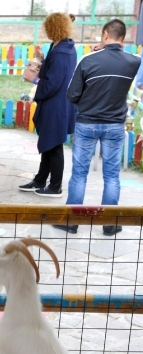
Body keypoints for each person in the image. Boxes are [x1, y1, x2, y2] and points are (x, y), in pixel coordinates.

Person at [53, 19, 140, 236]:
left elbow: (72, 95)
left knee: (79, 174)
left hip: (87, 123)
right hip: (115, 126)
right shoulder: (133, 61)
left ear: (104, 34)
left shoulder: (88, 60)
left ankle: (72, 221)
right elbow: (123, 58)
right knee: (112, 175)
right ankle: (110, 223)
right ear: (124, 37)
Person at [18, 13, 77, 198]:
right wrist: (42, 62)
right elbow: (54, 72)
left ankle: (55, 186)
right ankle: (41, 179)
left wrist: (34, 78)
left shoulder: (61, 52)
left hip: (56, 104)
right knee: (48, 142)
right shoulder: (61, 46)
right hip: (58, 102)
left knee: (54, 144)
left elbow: (53, 83)